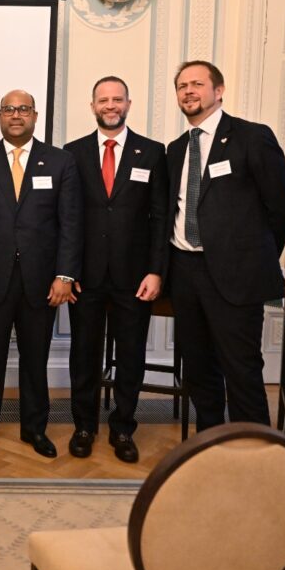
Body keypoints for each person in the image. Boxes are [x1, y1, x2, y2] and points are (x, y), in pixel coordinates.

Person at [166, 60, 285, 431]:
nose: (189, 91)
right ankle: (210, 440)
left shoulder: (251, 137)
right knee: (197, 365)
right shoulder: (176, 149)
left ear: (218, 91)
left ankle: (254, 447)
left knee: (241, 366)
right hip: (185, 271)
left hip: (236, 274)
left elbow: (282, 208)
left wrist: (254, 257)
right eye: (182, 86)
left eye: (197, 84)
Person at [0, 90, 82, 458]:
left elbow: (70, 223)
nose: (15, 115)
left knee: (35, 359)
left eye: (23, 109)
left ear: (35, 116)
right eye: (8, 109)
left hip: (42, 282)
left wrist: (65, 275)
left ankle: (35, 428)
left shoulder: (60, 162)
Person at [63, 76, 168, 463]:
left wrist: (156, 271)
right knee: (83, 356)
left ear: (128, 104)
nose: (110, 105)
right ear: (92, 106)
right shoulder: (72, 153)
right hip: (85, 277)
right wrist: (67, 272)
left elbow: (161, 217)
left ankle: (123, 428)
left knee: (130, 356)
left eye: (117, 99)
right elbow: (66, 218)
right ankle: (84, 426)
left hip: (135, 277)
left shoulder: (152, 152)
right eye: (103, 100)